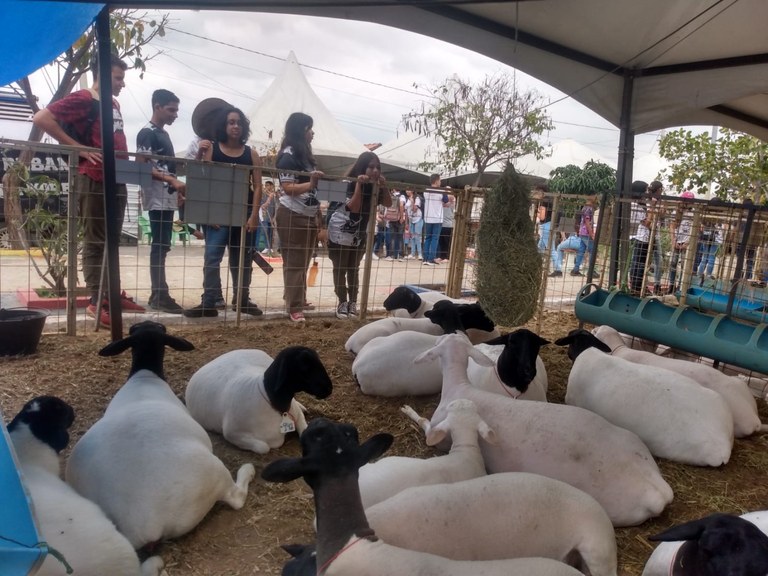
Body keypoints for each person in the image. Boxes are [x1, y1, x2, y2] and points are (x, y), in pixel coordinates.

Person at [32, 53, 144, 327]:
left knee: (112, 241)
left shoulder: (113, 103)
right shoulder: (85, 98)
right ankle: (97, 300)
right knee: (96, 241)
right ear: (103, 75)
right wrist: (78, 147)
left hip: (115, 177)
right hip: (92, 177)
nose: (122, 84)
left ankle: (111, 294)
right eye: (118, 78)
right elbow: (42, 118)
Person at [183, 106, 263, 318]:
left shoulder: (251, 154)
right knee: (212, 257)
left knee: (243, 260)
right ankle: (209, 301)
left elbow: (258, 187)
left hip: (244, 214)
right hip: (217, 215)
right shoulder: (212, 149)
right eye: (231, 122)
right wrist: (210, 214)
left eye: (238, 122)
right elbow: (204, 180)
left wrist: (254, 215)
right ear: (224, 125)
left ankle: (242, 300)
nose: (235, 126)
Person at [135, 89, 187, 314]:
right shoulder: (147, 133)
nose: (175, 114)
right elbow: (142, 165)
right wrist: (171, 181)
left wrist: (176, 187)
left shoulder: (163, 134)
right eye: (171, 110)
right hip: (157, 197)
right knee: (159, 245)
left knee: (163, 244)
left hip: (167, 196)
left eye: (176, 110)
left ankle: (159, 292)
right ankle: (159, 294)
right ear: (157, 107)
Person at [275, 112, 326, 323]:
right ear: (300, 131)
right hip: (292, 214)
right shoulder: (288, 155)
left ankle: (298, 298)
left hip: (307, 215)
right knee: (295, 262)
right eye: (309, 129)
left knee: (302, 261)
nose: (312, 133)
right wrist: (311, 184)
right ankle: (294, 307)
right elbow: (287, 188)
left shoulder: (305, 156)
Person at [326, 151, 390, 319]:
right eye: (370, 167)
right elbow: (353, 207)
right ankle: (342, 302)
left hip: (359, 234)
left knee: (353, 269)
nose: (375, 171)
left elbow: (389, 203)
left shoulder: (374, 186)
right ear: (362, 167)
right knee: (340, 269)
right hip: (338, 233)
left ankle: (353, 302)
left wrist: (384, 186)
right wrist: (359, 185)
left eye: (378, 167)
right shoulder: (346, 182)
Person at [667, 190, 695, 293]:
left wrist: (687, 243)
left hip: (686, 242)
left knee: (684, 264)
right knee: (673, 263)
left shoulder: (693, 213)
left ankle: (681, 285)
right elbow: (672, 226)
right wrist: (673, 240)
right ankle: (671, 284)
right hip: (677, 240)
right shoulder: (677, 212)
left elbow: (694, 228)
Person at [422, 173, 446, 265]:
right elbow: (446, 201)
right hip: (437, 218)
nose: (440, 182)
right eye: (440, 180)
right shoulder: (442, 191)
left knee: (427, 238)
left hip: (428, 218)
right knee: (434, 239)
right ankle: (431, 259)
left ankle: (425, 258)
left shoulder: (426, 191)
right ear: (436, 181)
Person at [570, 195, 597, 276]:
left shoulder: (584, 207)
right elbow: (587, 222)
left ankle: (576, 269)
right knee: (592, 251)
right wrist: (591, 233)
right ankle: (591, 271)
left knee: (581, 250)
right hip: (586, 232)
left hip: (582, 231)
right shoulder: (589, 208)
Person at [255, 180, 276, 255]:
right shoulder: (263, 195)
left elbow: (275, 207)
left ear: (272, 186)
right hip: (264, 216)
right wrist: (269, 198)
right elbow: (262, 206)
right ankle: (262, 247)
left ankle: (269, 248)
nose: (266, 187)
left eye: (268, 185)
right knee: (265, 231)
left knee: (270, 232)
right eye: (265, 185)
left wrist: (274, 217)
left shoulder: (274, 196)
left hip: (271, 217)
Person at [383, 189, 405, 260]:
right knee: (400, 237)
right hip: (398, 218)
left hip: (391, 218)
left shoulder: (390, 195)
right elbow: (401, 206)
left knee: (392, 237)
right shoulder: (401, 196)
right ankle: (399, 255)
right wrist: (401, 217)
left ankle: (391, 255)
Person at [404, 187, 423, 260]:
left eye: (408, 189)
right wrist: (406, 222)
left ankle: (420, 254)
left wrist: (412, 202)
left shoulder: (417, 198)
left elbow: (414, 209)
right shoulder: (407, 199)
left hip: (418, 219)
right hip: (411, 220)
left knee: (417, 236)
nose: (407, 191)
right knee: (412, 237)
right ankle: (412, 253)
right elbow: (406, 211)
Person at [436, 187, 455, 262]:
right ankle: (441, 256)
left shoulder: (452, 200)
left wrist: (445, 194)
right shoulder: (443, 200)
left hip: (448, 224)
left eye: (448, 190)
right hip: (441, 223)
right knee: (441, 241)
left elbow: (451, 197)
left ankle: (447, 257)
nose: (446, 192)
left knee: (447, 242)